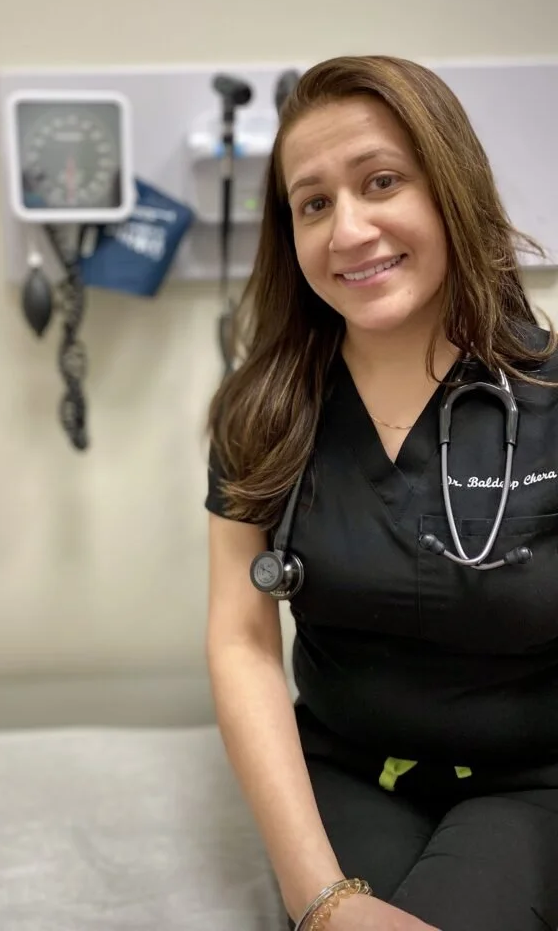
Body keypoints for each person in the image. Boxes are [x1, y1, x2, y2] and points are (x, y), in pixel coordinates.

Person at [204, 55, 558, 931]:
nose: (349, 229)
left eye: (382, 180)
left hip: (534, 783)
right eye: (313, 202)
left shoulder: (549, 397)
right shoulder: (265, 412)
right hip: (346, 769)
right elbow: (241, 640)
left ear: (451, 189)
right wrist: (318, 899)